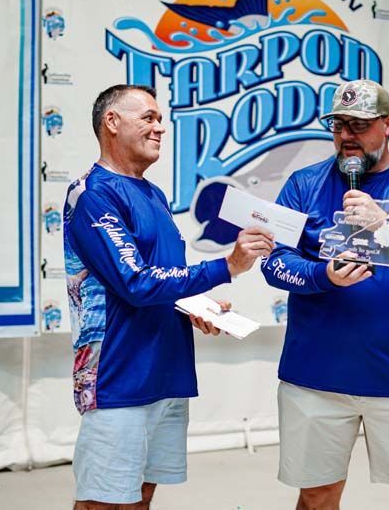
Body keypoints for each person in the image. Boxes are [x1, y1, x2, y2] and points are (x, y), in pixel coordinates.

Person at [261, 79, 389, 510]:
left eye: (359, 125)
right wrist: (324, 276)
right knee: (316, 497)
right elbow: (274, 263)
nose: (346, 136)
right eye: (339, 125)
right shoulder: (304, 185)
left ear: (388, 125)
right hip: (315, 377)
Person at [63, 84, 274, 509]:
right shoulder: (92, 194)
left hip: (167, 373)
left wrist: (197, 305)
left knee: (142, 495)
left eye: (160, 119)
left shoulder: (154, 195)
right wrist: (226, 267)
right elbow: (136, 282)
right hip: (118, 376)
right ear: (112, 122)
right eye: (148, 117)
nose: (160, 127)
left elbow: (163, 277)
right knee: (101, 502)